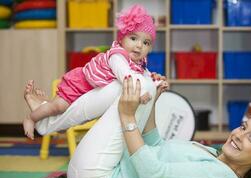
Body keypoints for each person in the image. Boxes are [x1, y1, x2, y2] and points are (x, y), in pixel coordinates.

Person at [64, 76, 251, 178]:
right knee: (144, 85)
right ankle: (50, 114)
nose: (239, 135)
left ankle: (50, 116)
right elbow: (156, 146)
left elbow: (154, 174)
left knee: (136, 81)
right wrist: (153, 103)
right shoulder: (214, 156)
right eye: (243, 127)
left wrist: (127, 117)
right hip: (113, 168)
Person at [23, 4, 158, 140]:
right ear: (121, 39)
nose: (139, 45)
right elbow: (127, 77)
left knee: (67, 116)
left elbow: (145, 76)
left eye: (146, 42)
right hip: (79, 84)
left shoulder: (139, 62)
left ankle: (45, 105)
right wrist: (141, 94)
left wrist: (153, 81)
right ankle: (31, 119)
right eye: (133, 38)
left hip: (90, 90)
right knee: (57, 107)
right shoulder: (117, 56)